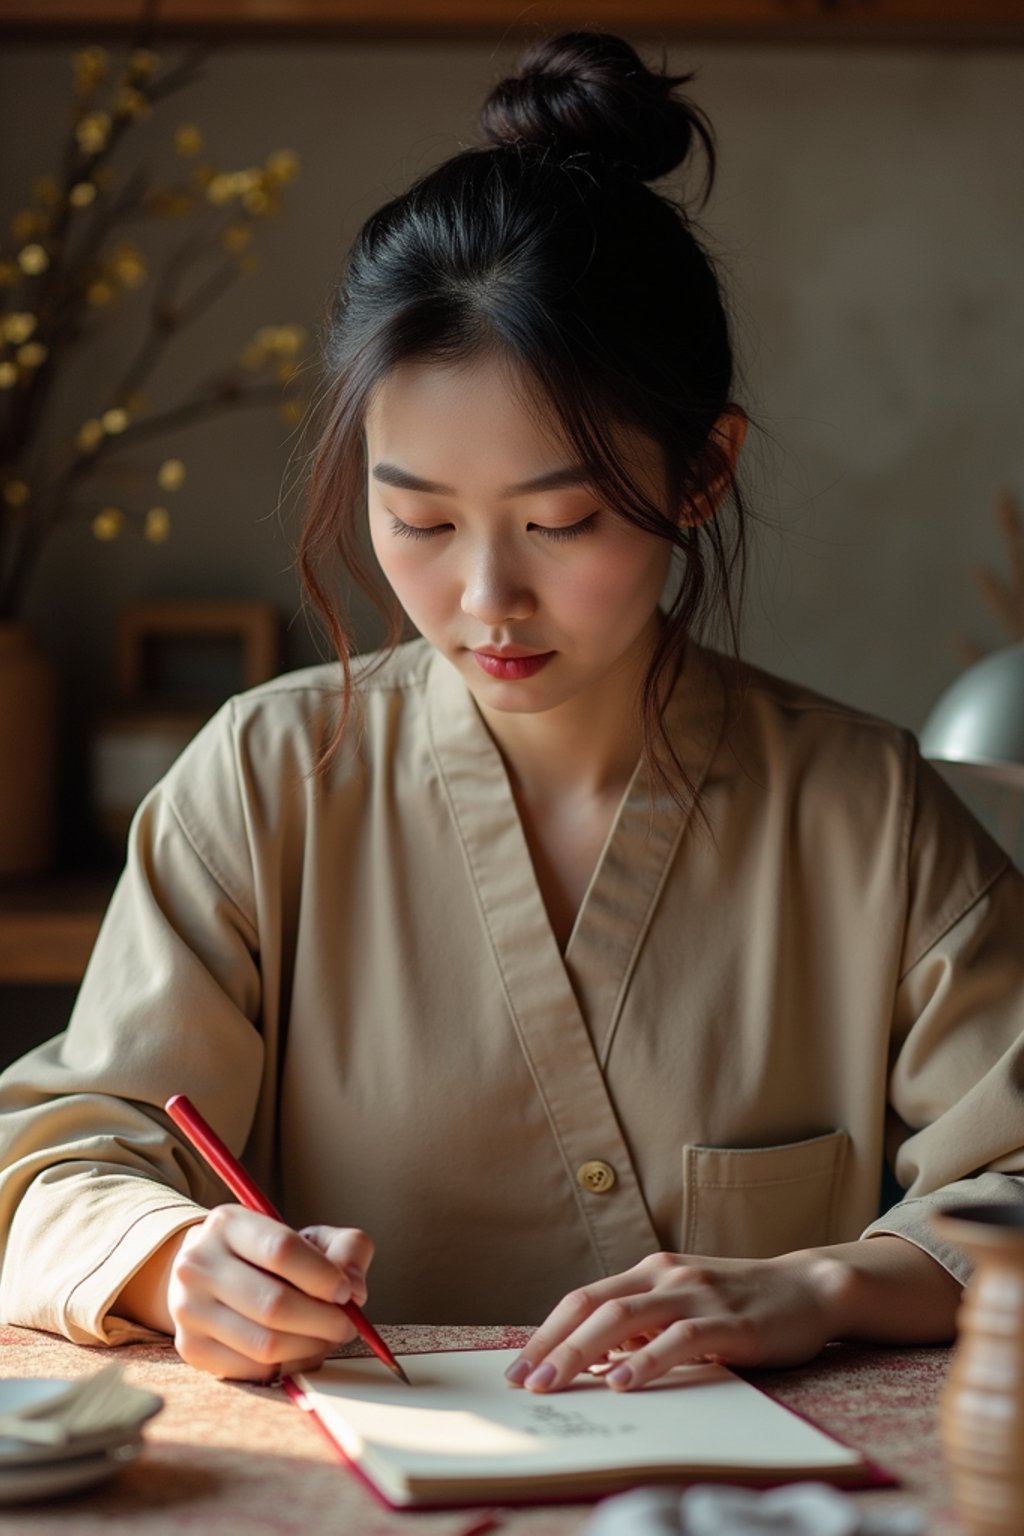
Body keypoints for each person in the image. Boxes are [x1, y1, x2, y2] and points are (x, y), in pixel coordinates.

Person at [1, 31, 1022, 1396]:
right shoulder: (263, 783)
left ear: (704, 474)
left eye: (562, 520)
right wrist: (170, 1255)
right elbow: (61, 1156)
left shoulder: (869, 815)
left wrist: (821, 1280)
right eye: (416, 516)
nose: (487, 596)